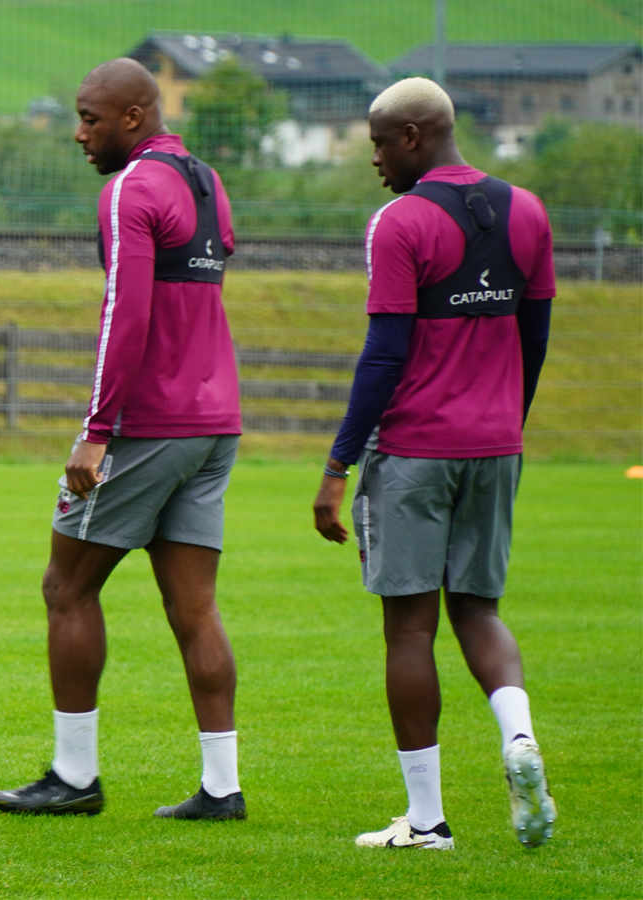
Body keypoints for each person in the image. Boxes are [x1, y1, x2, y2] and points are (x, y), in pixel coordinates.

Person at [0, 58, 247, 821]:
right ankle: (221, 788)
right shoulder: (205, 180)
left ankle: (73, 778)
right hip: (214, 422)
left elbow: (123, 314)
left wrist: (96, 433)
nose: (78, 133)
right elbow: (213, 266)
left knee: (66, 587)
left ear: (132, 118)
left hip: (149, 425)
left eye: (89, 118)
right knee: (195, 608)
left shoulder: (130, 188)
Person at [312, 77, 556, 851]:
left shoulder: (401, 222)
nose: (375, 158)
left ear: (413, 136)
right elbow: (534, 337)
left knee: (409, 633)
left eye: (380, 142)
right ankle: (517, 738)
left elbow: (384, 354)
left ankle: (427, 823)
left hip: (416, 450)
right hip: (495, 447)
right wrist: (504, 425)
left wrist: (337, 464)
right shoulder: (529, 211)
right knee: (478, 610)